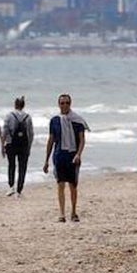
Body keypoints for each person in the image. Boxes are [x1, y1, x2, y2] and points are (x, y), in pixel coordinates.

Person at [42, 93, 89, 222]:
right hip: (59, 155)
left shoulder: (77, 120)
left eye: (67, 103)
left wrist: (78, 154)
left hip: (73, 156)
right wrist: (46, 160)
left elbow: (82, 139)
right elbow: (51, 140)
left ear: (70, 104)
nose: (64, 105)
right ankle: (62, 214)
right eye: (62, 103)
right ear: (58, 104)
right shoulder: (55, 121)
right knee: (60, 184)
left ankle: (73, 212)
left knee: (73, 185)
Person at [3, 96, 34, 197]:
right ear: (23, 105)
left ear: (15, 105)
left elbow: (5, 131)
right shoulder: (28, 117)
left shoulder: (9, 115)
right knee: (22, 167)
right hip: (24, 145)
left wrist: (4, 144)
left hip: (11, 144)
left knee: (11, 165)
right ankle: (19, 190)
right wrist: (29, 147)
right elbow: (31, 133)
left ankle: (11, 187)